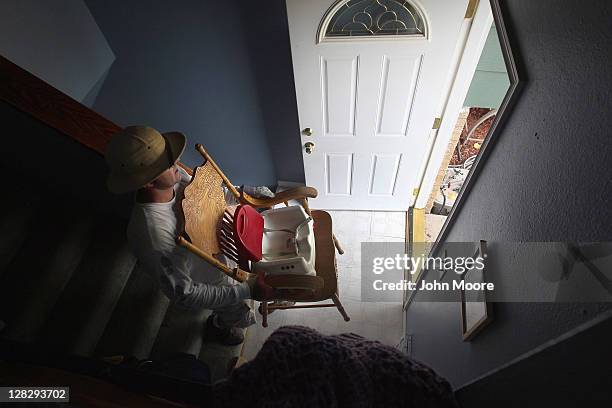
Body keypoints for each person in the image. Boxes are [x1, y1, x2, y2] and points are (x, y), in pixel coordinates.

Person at [105, 125, 268, 345]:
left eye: (170, 158)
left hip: (218, 245)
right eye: (167, 164)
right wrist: (246, 290)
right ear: (148, 182)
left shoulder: (176, 176)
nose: (176, 164)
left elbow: (212, 195)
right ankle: (219, 326)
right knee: (233, 309)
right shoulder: (154, 236)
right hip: (208, 278)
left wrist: (247, 193)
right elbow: (185, 294)